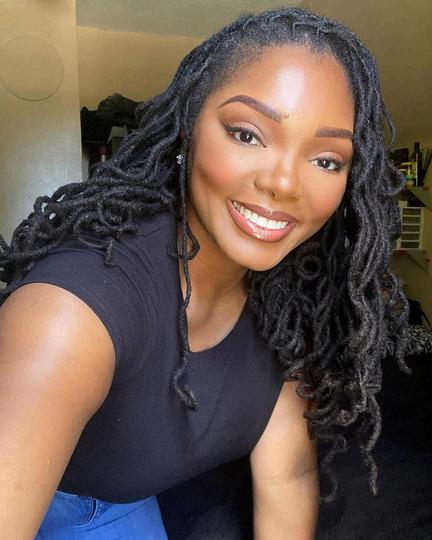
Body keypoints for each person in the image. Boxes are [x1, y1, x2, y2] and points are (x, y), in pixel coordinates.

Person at [0, 6, 408, 539]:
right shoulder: (69, 312)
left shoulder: (288, 307)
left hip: (125, 499)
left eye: (327, 160)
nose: (284, 183)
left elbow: (287, 475)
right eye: (248, 134)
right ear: (187, 128)